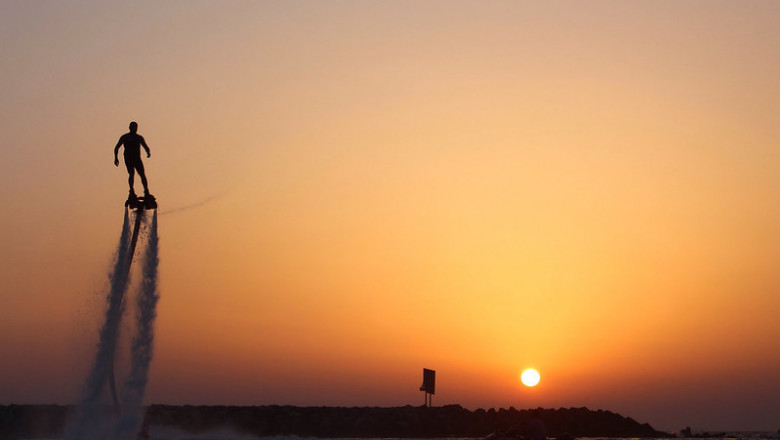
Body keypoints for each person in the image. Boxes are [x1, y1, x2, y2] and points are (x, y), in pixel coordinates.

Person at [114, 121, 151, 197]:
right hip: (129, 158)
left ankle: (146, 191)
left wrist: (148, 152)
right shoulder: (125, 137)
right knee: (131, 173)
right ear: (130, 128)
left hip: (137, 158)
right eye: (133, 127)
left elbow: (145, 146)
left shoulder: (138, 138)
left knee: (142, 174)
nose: (134, 129)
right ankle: (131, 190)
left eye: (135, 127)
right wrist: (116, 158)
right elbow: (117, 147)